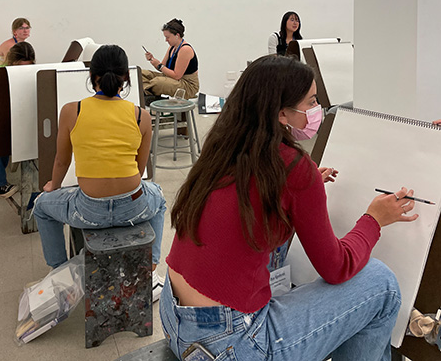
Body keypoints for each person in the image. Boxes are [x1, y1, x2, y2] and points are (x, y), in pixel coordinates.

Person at [160, 55, 418, 361]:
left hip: (174, 318)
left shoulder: (224, 148)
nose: (317, 110)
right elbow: (337, 268)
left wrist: (301, 191)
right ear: (282, 113)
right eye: (310, 103)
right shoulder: (293, 168)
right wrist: (373, 220)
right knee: (382, 283)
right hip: (231, 344)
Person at [33, 44, 166, 300]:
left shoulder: (73, 110)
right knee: (158, 198)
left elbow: (62, 160)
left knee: (41, 207)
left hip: (88, 211)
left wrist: (53, 185)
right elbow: (139, 170)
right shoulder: (142, 116)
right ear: (125, 78)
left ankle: (62, 277)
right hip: (134, 208)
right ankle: (151, 274)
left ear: (91, 75)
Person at [0, 42, 36, 198]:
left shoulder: (35, 73)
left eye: (27, 67)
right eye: (19, 68)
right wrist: (8, 118)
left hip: (27, 118)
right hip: (4, 120)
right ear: (11, 63)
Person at [142, 19, 199, 101]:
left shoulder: (185, 49)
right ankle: (147, 92)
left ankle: (146, 93)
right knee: (141, 73)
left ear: (177, 35)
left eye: (168, 37)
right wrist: (152, 60)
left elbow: (177, 75)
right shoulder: (172, 47)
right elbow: (162, 68)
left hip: (186, 84)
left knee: (157, 82)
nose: (166, 40)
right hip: (172, 78)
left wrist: (159, 65)